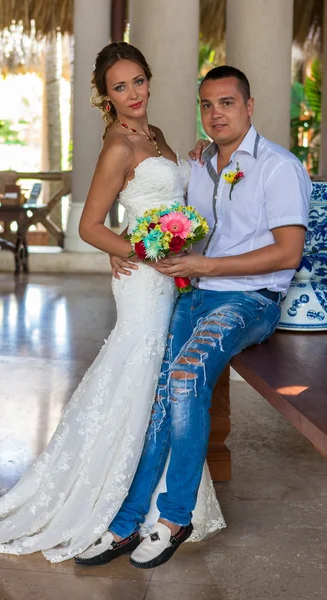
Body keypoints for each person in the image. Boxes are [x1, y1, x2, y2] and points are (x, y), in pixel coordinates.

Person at [0, 42, 225, 563]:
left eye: (138, 81)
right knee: (140, 372)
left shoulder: (153, 135)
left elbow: (166, 199)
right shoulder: (118, 144)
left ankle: (161, 504)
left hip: (170, 274)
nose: (132, 93)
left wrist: (195, 161)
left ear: (149, 81)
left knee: (160, 377)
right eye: (119, 87)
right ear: (105, 96)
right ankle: (112, 500)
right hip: (143, 277)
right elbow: (89, 225)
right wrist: (140, 249)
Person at [80, 65, 311, 570]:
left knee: (184, 377)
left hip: (248, 301)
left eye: (227, 102)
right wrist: (120, 247)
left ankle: (174, 516)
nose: (215, 113)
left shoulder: (279, 165)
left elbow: (289, 253)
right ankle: (126, 523)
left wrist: (207, 265)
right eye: (206, 104)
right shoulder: (201, 163)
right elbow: (147, 207)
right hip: (194, 293)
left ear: (249, 106)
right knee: (163, 393)